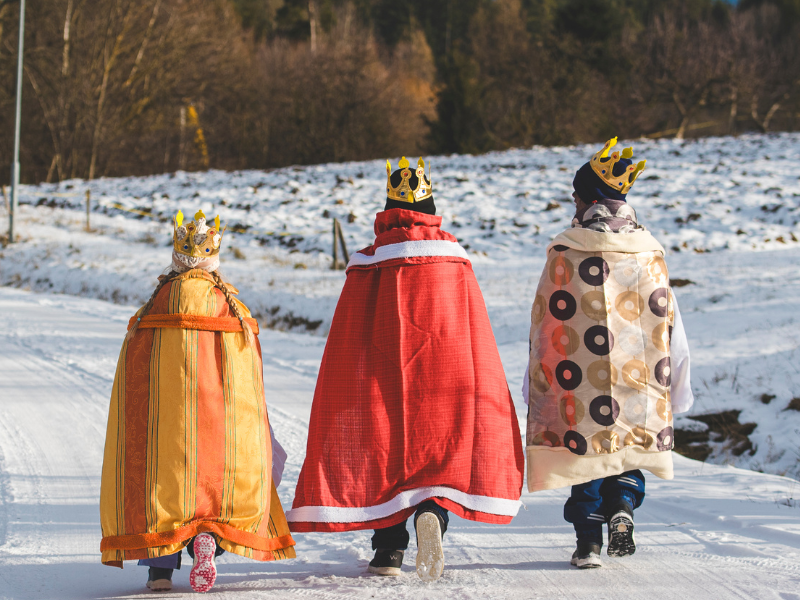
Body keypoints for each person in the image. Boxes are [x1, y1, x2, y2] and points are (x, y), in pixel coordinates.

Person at [288, 158, 525, 581]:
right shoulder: (454, 258)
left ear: (387, 209)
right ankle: (431, 513)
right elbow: (475, 327)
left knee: (384, 454)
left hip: (382, 374)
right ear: (432, 207)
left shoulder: (368, 262)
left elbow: (349, 334)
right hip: (448, 373)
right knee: (438, 455)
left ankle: (389, 551)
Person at [99, 210, 296, 592]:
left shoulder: (156, 305)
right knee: (216, 484)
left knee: (158, 483)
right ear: (212, 261)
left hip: (165, 423)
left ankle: (159, 572)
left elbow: (134, 369)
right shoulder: (230, 305)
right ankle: (207, 539)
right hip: (217, 420)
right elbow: (248, 372)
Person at [524, 138, 693, 568]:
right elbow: (669, 320)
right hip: (640, 375)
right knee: (628, 446)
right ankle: (622, 506)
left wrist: (536, 384)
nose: (572, 204)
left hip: (579, 379)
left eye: (576, 196)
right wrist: (678, 383)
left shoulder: (565, 251)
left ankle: (589, 544)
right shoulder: (650, 251)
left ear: (590, 200)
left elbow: (545, 326)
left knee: (584, 456)